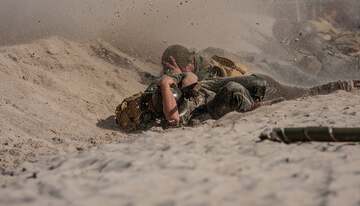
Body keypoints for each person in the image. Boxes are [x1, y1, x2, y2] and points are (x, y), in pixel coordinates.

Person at [122, 72, 359, 129]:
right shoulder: (169, 110)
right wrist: (166, 85)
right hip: (211, 105)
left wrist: (184, 84)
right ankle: (257, 106)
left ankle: (342, 86)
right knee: (235, 91)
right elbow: (173, 118)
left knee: (259, 81)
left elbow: (190, 76)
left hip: (205, 90)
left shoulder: (157, 89)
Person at [161, 44, 250, 81]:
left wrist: (178, 76)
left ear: (190, 63)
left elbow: (196, 96)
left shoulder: (206, 73)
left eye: (180, 68)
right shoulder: (190, 59)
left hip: (241, 77)